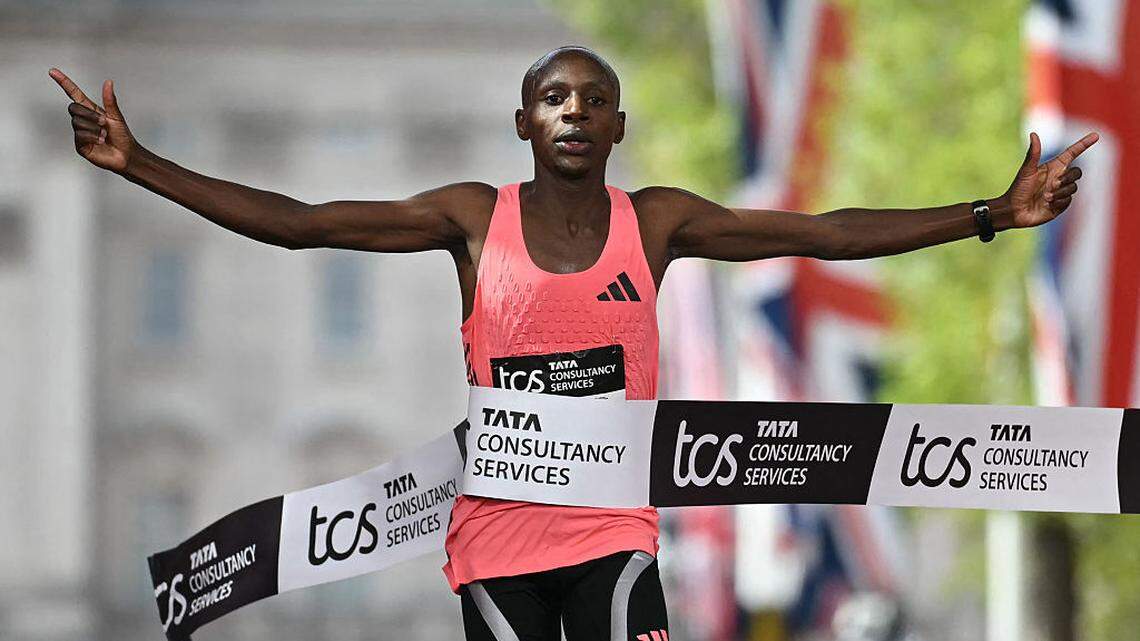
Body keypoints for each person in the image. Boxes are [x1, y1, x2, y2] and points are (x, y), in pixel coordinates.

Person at [50, 45, 1097, 641]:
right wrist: (141, 163)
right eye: (555, 98)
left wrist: (989, 214)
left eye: (596, 100)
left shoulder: (657, 223)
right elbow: (302, 222)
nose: (575, 113)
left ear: (618, 127)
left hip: (612, 534)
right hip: (497, 548)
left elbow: (822, 234)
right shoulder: (472, 219)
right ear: (524, 122)